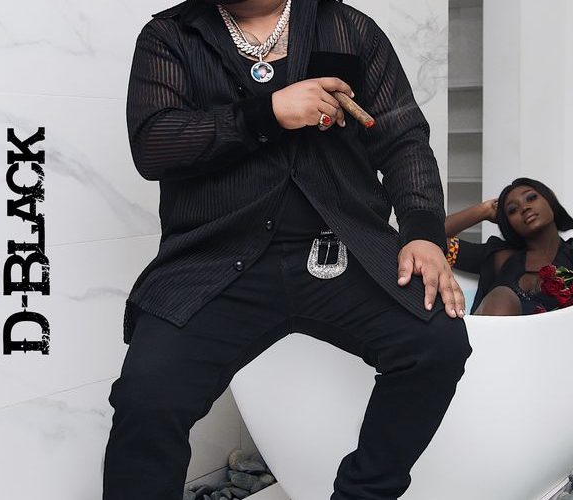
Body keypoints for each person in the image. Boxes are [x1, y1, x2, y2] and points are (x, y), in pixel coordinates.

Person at [102, 1, 471, 499]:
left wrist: (422, 231)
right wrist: (270, 112)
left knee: (435, 343)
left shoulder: (349, 27)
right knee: (146, 398)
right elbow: (154, 145)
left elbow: (403, 139)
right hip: (216, 261)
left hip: (341, 251)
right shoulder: (171, 36)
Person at [444, 178, 573, 315]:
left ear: (550, 200)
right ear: (508, 223)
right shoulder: (499, 256)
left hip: (562, 350)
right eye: (512, 210)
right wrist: (484, 210)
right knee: (502, 296)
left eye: (531, 198)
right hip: (497, 351)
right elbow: (433, 239)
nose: (525, 207)